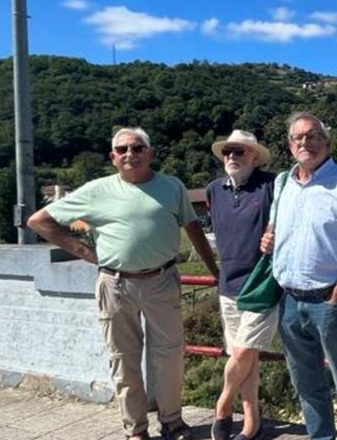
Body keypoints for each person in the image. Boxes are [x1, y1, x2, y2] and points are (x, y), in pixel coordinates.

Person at [27, 127, 217, 440]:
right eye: (123, 149)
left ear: (150, 153)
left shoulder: (172, 186)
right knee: (123, 360)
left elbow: (193, 227)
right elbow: (39, 221)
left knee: (169, 357)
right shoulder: (95, 190)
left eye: (138, 147)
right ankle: (135, 430)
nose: (131, 153)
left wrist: (214, 270)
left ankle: (172, 421)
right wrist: (82, 251)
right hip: (115, 286)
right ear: (113, 157)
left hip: (163, 280)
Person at [260, 112, 337, 440]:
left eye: (313, 136)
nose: (305, 142)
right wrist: (268, 238)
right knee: (307, 387)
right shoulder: (282, 183)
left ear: (327, 143)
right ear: (290, 146)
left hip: (330, 301)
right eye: (298, 137)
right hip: (288, 301)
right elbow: (274, 228)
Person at [205, 130, 278, 440]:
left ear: (254, 157)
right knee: (246, 357)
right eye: (228, 152)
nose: (232, 157)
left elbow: (289, 220)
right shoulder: (213, 190)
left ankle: (222, 405)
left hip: (262, 282)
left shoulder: (272, 185)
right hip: (228, 284)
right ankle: (252, 424)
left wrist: (276, 236)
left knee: (243, 350)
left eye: (240, 152)